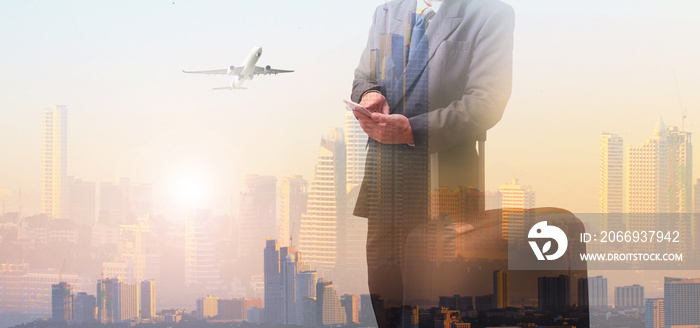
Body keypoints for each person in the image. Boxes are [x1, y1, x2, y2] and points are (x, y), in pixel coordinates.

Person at [350, 0, 515, 327]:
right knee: (386, 301)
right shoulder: (387, 11)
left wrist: (414, 130)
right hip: (386, 183)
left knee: (442, 307)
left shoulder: (491, 13)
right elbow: (362, 78)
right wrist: (369, 95)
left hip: (445, 189)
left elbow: (487, 103)